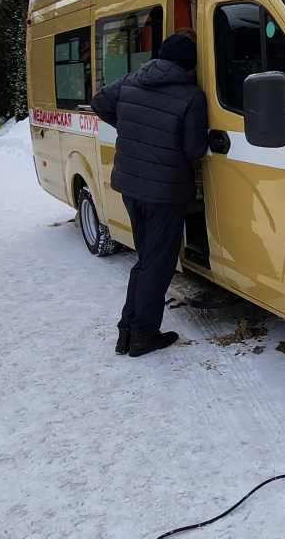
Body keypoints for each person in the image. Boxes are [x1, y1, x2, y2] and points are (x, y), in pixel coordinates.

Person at [91, 33, 208, 357]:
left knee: (146, 260)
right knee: (158, 264)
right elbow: (194, 149)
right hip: (163, 192)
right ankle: (142, 334)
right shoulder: (191, 96)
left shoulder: (131, 82)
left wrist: (130, 127)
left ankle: (127, 331)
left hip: (131, 186)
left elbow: (99, 102)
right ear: (191, 66)